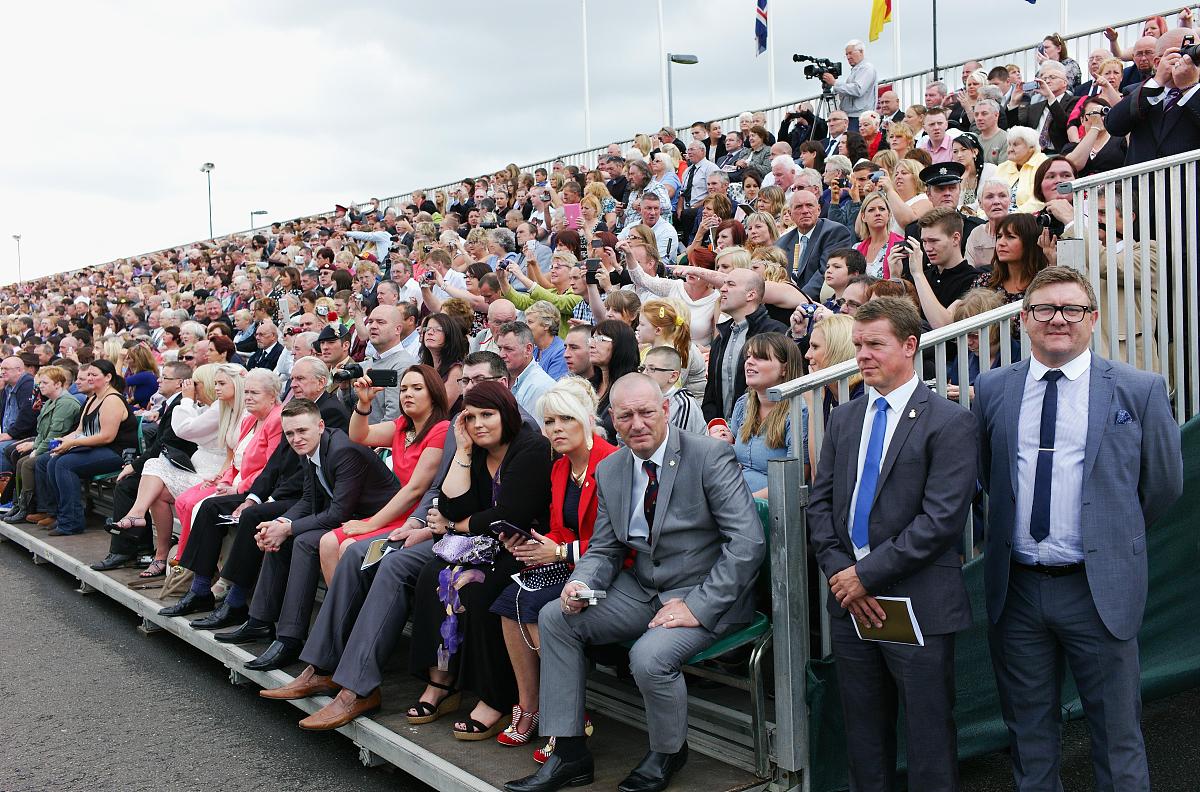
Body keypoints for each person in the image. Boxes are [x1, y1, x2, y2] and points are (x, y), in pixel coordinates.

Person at [973, 266, 1182, 792]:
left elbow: (1162, 486)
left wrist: (1108, 538)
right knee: (1028, 737)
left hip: (1099, 591)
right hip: (1017, 592)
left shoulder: (1140, 390)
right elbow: (987, 473)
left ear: (1092, 319)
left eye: (1071, 309)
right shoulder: (993, 388)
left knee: (1117, 738)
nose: (1057, 319)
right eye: (1044, 309)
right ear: (1024, 319)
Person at [505, 373, 764, 792]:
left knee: (648, 657)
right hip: (644, 587)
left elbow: (747, 543)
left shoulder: (709, 455)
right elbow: (605, 548)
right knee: (555, 616)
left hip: (705, 593)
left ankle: (667, 752)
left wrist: (697, 607)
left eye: (646, 412)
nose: (637, 423)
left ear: (665, 411)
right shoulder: (612, 468)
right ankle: (569, 754)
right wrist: (580, 583)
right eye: (625, 416)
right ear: (612, 419)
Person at [258, 354, 537, 727]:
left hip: (468, 539)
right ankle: (324, 666)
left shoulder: (515, 430)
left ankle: (357, 688)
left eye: (479, 381)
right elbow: (445, 492)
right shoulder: (460, 425)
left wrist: (435, 523)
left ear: (503, 385)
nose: (471, 390)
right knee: (354, 553)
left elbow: (443, 495)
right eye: (466, 382)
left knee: (389, 564)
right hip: (442, 529)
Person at [807, 297, 978, 792]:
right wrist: (846, 577)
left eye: (875, 344)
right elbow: (821, 507)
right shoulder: (845, 418)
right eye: (858, 344)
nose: (862, 354)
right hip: (851, 603)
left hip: (917, 600)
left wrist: (864, 575)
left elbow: (941, 521)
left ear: (909, 345)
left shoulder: (949, 422)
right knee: (864, 734)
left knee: (928, 737)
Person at [205, 396, 399, 654]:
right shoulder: (308, 449)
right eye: (290, 433)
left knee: (304, 541)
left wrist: (288, 528)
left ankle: (289, 638)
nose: (296, 438)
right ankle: (260, 621)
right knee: (281, 535)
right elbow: (309, 499)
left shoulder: (343, 451)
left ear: (320, 426)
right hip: (350, 517)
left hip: (377, 520)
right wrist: (279, 524)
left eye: (302, 430)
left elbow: (338, 512)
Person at [489, 378, 618, 749]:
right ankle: (531, 706)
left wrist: (560, 552)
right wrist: (537, 546)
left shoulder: (611, 462)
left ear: (586, 419)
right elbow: (562, 528)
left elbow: (618, 543)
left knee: (534, 605)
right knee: (507, 599)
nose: (556, 429)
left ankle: (568, 712)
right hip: (572, 562)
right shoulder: (560, 467)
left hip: (610, 571)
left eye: (566, 419)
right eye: (549, 422)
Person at [318, 364, 450, 575]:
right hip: (395, 509)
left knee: (347, 547)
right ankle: (341, 608)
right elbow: (359, 436)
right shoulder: (402, 427)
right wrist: (364, 402)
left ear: (434, 393)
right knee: (328, 543)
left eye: (417, 388)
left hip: (418, 517)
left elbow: (415, 489)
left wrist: (370, 525)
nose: (408, 394)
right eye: (404, 389)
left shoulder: (441, 429)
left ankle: (356, 607)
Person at [108, 363, 229, 579]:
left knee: (149, 472)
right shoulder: (205, 408)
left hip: (211, 473)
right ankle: (157, 549)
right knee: (156, 490)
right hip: (198, 467)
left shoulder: (216, 408)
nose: (190, 387)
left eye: (195, 384)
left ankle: (149, 537)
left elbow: (184, 431)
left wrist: (187, 399)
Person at [29, 360, 138, 536]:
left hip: (118, 452)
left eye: (94, 375)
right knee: (49, 460)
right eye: (88, 375)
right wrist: (62, 440)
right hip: (97, 447)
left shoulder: (112, 399)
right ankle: (58, 514)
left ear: (108, 377)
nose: (89, 378)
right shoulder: (92, 398)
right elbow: (80, 430)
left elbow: (107, 436)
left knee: (65, 464)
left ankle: (72, 522)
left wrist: (72, 443)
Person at [708, 333, 806, 498]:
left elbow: (795, 479)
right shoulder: (743, 403)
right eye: (748, 356)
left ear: (785, 368)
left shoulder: (798, 411)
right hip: (734, 498)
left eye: (760, 357)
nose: (749, 362)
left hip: (772, 509)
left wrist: (743, 502)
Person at [702, 268, 789, 422]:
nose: (723, 289)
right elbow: (711, 394)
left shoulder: (775, 333)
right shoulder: (721, 337)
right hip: (723, 435)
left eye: (731, 284)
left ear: (751, 294)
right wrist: (713, 425)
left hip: (762, 432)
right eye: (723, 284)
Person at [1106, 29, 1200, 166]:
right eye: (1180, 54)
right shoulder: (1137, 92)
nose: (1188, 61)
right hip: (1142, 185)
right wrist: (1158, 81)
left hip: (1189, 184)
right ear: (1157, 62)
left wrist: (1189, 87)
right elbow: (1114, 125)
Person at [2, 366, 81, 524]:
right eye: (39, 383)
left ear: (58, 384)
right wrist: (36, 446)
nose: (40, 387)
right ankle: (22, 505)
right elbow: (41, 432)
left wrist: (37, 450)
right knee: (20, 458)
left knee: (29, 463)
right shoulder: (51, 401)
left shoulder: (65, 403)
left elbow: (55, 434)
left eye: (44, 383)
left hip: (61, 445)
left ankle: (39, 509)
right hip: (49, 443)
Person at [774, 190, 856, 299]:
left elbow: (825, 272)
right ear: (790, 214)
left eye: (809, 205)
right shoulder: (781, 243)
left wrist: (799, 299)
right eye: (799, 207)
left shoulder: (834, 232)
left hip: (818, 304)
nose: (805, 211)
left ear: (819, 210)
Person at [636, 299, 705, 400]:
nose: (637, 328)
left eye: (642, 324)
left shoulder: (669, 357)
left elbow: (669, 396)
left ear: (658, 330)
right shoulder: (647, 351)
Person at [588, 320, 641, 442]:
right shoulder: (588, 386)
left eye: (600, 339)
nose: (591, 344)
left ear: (621, 345)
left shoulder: (633, 389)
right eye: (592, 339)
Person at [639, 346, 706, 436]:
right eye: (643, 368)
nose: (644, 374)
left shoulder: (683, 403)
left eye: (652, 369)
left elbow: (678, 444)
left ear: (673, 376)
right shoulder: (644, 398)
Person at [496, 321, 556, 418]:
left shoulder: (541, 387)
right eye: (500, 348)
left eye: (509, 349)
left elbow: (535, 431)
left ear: (528, 349)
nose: (501, 355)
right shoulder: (500, 378)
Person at [419, 313, 468, 412]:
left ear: (449, 335)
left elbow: (441, 409)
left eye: (437, 329)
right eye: (427, 329)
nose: (430, 333)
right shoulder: (425, 367)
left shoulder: (456, 370)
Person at [995, 126, 1048, 213]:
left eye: (1015, 145)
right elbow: (989, 195)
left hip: (1026, 220)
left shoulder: (1044, 165)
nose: (1010, 149)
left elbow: (1039, 201)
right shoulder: (1002, 167)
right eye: (1009, 144)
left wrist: (1013, 216)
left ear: (1031, 148)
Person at [854, 192, 905, 279]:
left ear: (888, 214)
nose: (877, 213)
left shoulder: (901, 244)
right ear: (863, 217)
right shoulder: (856, 249)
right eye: (871, 210)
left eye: (882, 209)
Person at [965, 179, 1014, 269]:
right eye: (989, 197)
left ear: (1010, 201)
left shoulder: (1019, 230)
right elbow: (968, 271)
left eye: (1002, 196)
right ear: (980, 204)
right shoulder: (976, 234)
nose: (996, 202)